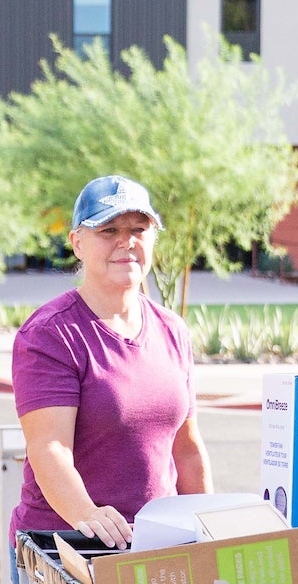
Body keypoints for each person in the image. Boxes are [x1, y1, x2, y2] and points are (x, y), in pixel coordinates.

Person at [12, 175, 212, 547]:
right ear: (77, 243)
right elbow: (49, 448)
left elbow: (186, 447)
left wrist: (209, 528)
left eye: (139, 228)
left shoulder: (173, 330)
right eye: (109, 229)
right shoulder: (50, 334)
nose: (127, 241)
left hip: (158, 543)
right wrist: (88, 515)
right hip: (66, 547)